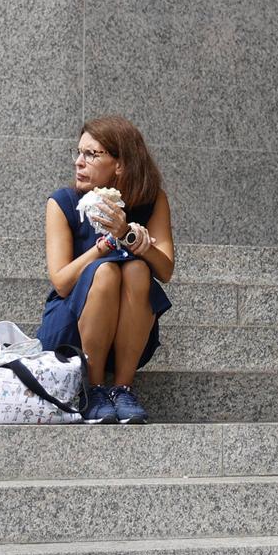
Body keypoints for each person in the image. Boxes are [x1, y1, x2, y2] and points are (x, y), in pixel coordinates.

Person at [39, 116, 175, 425]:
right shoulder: (62, 203)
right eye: (78, 152)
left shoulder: (152, 201)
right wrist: (103, 247)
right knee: (107, 272)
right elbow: (61, 283)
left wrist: (129, 234)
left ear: (120, 165)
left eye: (91, 154)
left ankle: (123, 389)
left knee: (139, 269)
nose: (79, 162)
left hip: (127, 330)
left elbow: (165, 269)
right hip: (71, 332)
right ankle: (95, 389)